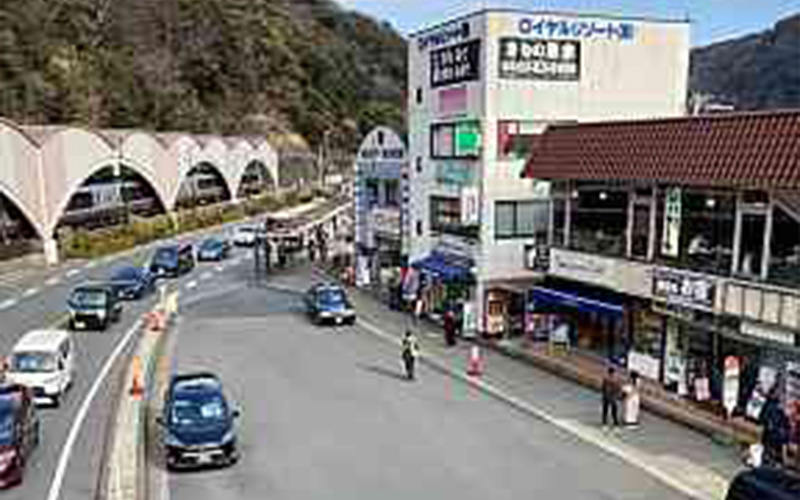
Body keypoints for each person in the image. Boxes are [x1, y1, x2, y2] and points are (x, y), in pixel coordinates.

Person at [760, 387, 791, 467]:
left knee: (782, 434)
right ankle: (773, 457)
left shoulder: (779, 406)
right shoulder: (770, 404)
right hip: (772, 430)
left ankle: (779, 458)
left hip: (777, 429)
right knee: (775, 433)